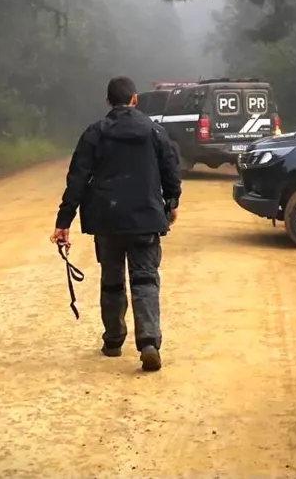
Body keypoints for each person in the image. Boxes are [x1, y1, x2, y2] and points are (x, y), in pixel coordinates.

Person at [50, 76, 182, 372]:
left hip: (106, 220)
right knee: (145, 280)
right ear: (135, 99)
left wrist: (64, 221)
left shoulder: (94, 134)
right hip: (145, 218)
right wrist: (171, 204)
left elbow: (77, 180)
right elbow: (171, 172)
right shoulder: (154, 132)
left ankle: (113, 341)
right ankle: (148, 343)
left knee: (112, 281)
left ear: (108, 101)